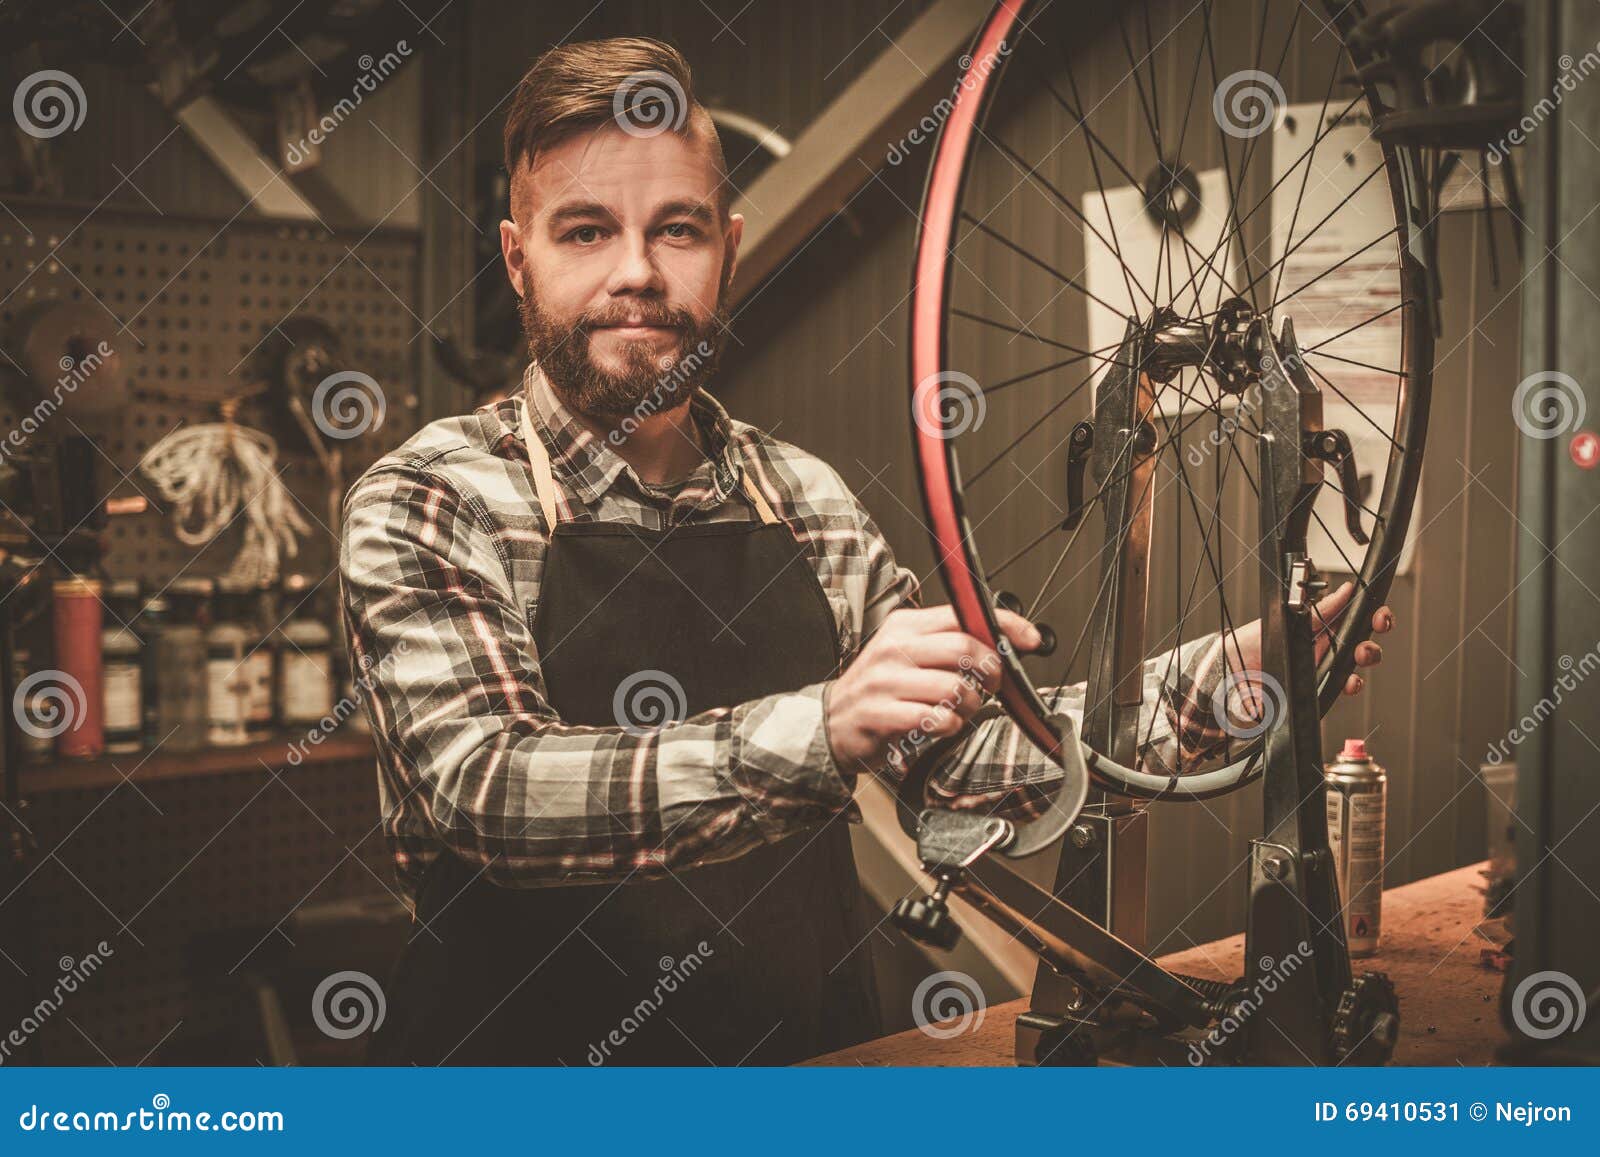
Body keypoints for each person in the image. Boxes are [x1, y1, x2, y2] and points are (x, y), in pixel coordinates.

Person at [340, 35, 1392, 1066]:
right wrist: (824, 726)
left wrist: (1227, 682)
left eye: (676, 229)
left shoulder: (802, 495)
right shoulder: (431, 498)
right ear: (516, 257)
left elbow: (962, 759)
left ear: (729, 248)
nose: (637, 273)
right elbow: (486, 789)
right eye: (583, 232)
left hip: (806, 1065)